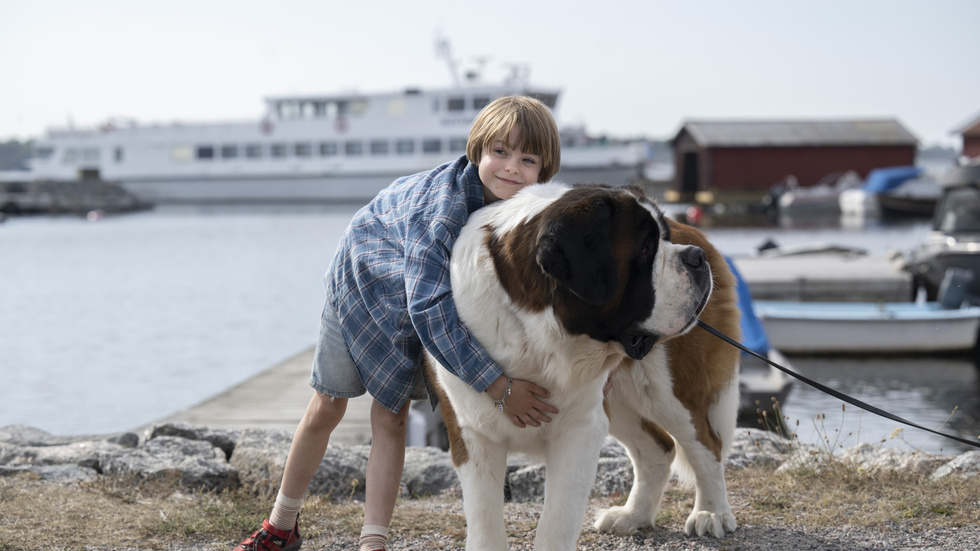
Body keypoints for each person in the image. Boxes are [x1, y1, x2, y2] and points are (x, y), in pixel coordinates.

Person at [233, 95, 563, 551]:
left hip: (416, 296)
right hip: (363, 279)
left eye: (527, 159)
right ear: (477, 150)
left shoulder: (528, 214)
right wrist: (498, 386)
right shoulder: (445, 208)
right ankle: (281, 524)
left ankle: (373, 542)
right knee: (327, 406)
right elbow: (430, 308)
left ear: (544, 170)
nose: (510, 168)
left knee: (391, 416)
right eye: (500, 152)